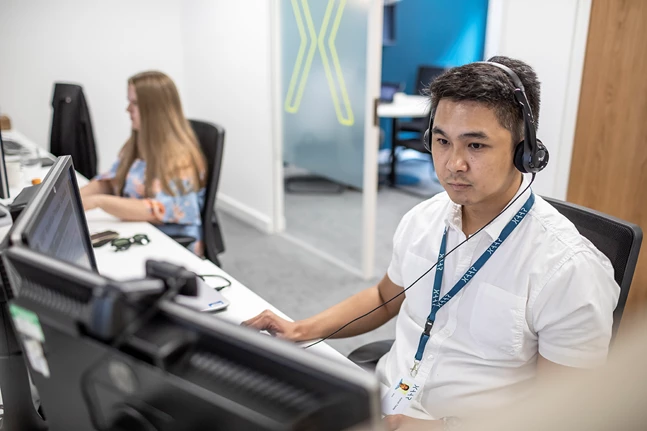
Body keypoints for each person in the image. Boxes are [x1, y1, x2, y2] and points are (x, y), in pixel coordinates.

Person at [243, 56, 619, 429]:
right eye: (442, 141)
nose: (453, 163)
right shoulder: (424, 218)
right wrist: (301, 329)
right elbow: (381, 298)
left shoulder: (569, 269)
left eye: (475, 146)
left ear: (524, 149)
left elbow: (566, 414)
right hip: (385, 402)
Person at [80, 71, 207, 256]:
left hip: (169, 244)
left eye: (135, 103)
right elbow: (111, 180)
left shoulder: (180, 158)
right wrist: (71, 198)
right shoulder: (138, 144)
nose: (128, 109)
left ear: (154, 110)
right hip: (139, 229)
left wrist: (98, 202)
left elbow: (158, 210)